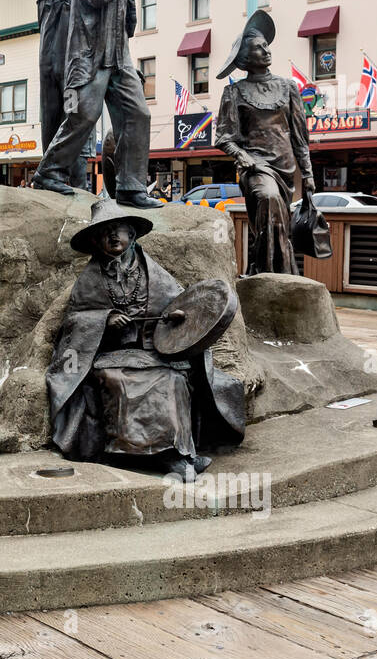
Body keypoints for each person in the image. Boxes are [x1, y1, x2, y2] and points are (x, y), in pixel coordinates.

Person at [45, 198, 244, 482]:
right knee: (119, 381)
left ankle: (181, 451)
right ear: (94, 241)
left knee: (174, 380)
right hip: (109, 358)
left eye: (118, 229)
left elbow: (182, 304)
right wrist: (104, 320)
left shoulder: (152, 271)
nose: (112, 235)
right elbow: (73, 323)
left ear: (132, 234)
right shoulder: (89, 279)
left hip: (152, 354)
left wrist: (177, 316)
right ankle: (164, 458)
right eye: (104, 231)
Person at [32, 0, 169, 209]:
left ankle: (131, 186)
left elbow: (125, 4)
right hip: (91, 52)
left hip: (118, 53)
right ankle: (48, 173)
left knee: (138, 114)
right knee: (84, 115)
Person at [214, 9, 315, 275]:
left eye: (266, 45)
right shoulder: (234, 92)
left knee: (278, 220)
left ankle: (266, 270)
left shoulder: (288, 87)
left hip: (285, 166)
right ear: (246, 59)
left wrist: (308, 175)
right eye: (259, 49)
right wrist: (242, 157)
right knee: (268, 199)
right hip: (256, 166)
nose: (266, 51)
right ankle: (274, 273)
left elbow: (299, 136)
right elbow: (223, 137)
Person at [36, 0, 94, 190]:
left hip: (46, 63)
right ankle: (78, 187)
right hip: (75, 65)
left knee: (50, 121)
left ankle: (49, 177)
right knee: (75, 122)